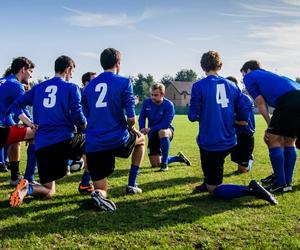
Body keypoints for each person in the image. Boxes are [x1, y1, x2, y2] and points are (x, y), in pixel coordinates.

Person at [188, 50, 277, 205]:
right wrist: (239, 118)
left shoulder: (198, 86)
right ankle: (209, 180)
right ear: (220, 66)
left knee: (214, 190)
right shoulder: (232, 86)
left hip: (211, 142)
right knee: (213, 167)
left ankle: (251, 190)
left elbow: (192, 116)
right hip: (230, 139)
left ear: (203, 67)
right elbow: (246, 104)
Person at [9, 55, 87, 208]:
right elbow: (78, 115)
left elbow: (16, 106)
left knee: (49, 190)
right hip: (64, 140)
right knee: (93, 142)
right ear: (68, 69)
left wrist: (29, 123)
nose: (72, 75)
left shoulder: (38, 88)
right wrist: (85, 125)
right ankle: (86, 183)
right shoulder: (72, 87)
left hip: (42, 145)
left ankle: (28, 188)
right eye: (72, 71)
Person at [83, 48, 145, 212]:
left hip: (94, 143)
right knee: (141, 140)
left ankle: (98, 195)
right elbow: (132, 119)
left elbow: (87, 115)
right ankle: (132, 184)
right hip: (117, 139)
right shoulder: (124, 82)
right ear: (118, 63)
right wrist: (132, 128)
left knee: (102, 188)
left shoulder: (88, 87)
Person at [240, 60, 300, 193]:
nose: (243, 78)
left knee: (271, 139)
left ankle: (280, 182)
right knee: (289, 141)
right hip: (297, 96)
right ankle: (286, 182)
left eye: (243, 74)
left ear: (248, 70)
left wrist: (269, 125)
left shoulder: (250, 76)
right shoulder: (268, 75)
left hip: (288, 100)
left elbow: (260, 102)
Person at [138, 83, 191, 171]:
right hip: (152, 133)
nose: (153, 97)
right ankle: (178, 158)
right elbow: (142, 117)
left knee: (162, 131)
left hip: (167, 132)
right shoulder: (147, 103)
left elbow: (165, 124)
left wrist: (150, 129)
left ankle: (164, 164)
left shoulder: (169, 105)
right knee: (155, 164)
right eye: (151, 95)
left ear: (162, 94)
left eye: (156, 95)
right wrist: (142, 128)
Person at [0, 57, 35, 186]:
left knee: (15, 135)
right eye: (30, 71)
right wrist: (33, 124)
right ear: (23, 70)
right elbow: (23, 110)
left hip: (3, 126)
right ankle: (28, 176)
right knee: (34, 132)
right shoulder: (16, 85)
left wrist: (14, 125)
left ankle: (15, 176)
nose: (31, 75)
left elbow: (4, 111)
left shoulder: (3, 81)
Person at [226, 76, 255, 174]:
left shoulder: (244, 100)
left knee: (242, 170)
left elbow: (244, 122)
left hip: (245, 134)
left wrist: (228, 120)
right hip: (233, 134)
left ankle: (250, 159)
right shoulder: (227, 99)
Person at [77, 71, 97, 194]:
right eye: (94, 80)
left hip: (90, 130)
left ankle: (85, 183)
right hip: (78, 131)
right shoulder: (77, 93)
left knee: (92, 158)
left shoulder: (94, 95)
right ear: (86, 82)